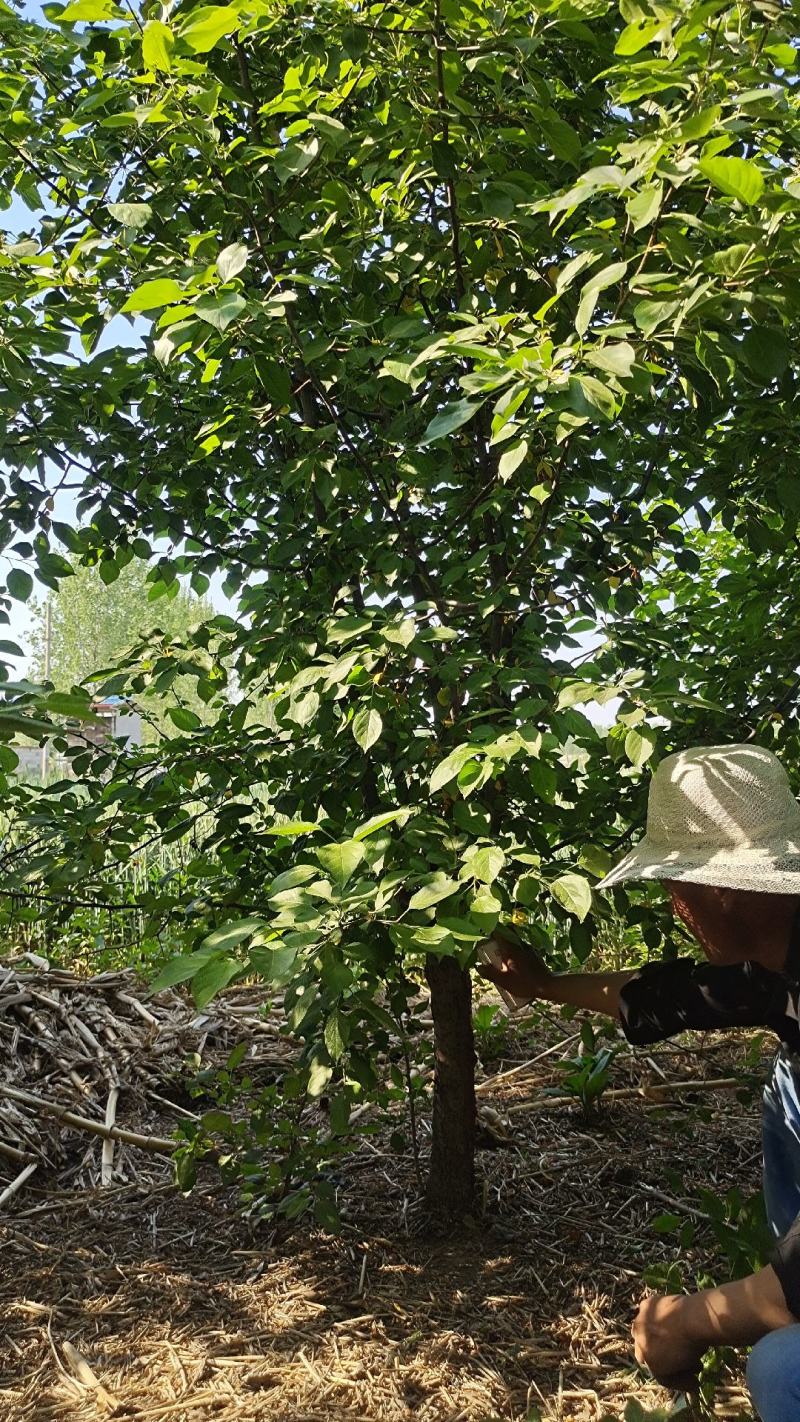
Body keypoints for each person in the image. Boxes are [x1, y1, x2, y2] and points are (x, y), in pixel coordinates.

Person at [479, 743, 800, 1420]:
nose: (672, 902)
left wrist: (686, 1323)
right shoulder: (779, 961)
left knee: (783, 1368)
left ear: (725, 888)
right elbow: (679, 995)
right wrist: (541, 986)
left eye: (677, 882)